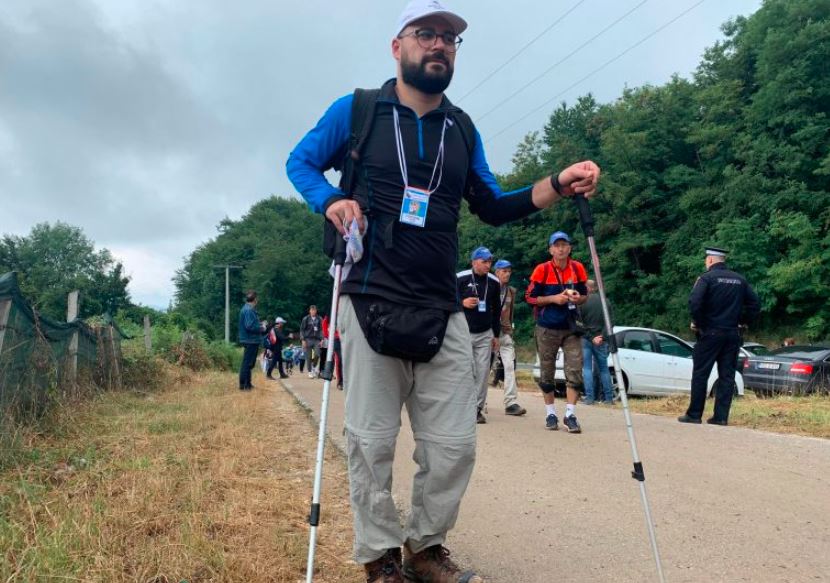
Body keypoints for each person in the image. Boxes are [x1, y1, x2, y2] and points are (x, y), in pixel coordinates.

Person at [286, 0, 600, 579]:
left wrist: (558, 182)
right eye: (425, 34)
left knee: (454, 445)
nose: (438, 45)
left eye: (449, 39)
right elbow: (300, 162)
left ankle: (425, 547)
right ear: (397, 46)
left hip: (440, 306)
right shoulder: (356, 111)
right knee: (371, 442)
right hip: (367, 296)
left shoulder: (462, 128)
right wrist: (330, 200)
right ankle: (380, 556)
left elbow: (494, 203)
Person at [679, 247, 760, 426]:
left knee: (701, 373)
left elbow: (695, 302)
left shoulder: (706, 278)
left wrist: (699, 324)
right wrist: (743, 321)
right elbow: (755, 304)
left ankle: (694, 414)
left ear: (710, 261)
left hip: (710, 333)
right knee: (727, 376)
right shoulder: (740, 280)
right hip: (732, 334)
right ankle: (721, 417)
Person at [525, 231, 589, 433]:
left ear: (570, 247)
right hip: (547, 327)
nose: (561, 248)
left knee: (575, 370)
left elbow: (585, 294)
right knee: (547, 371)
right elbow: (530, 298)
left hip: (571, 326)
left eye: (564, 244)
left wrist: (578, 298)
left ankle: (570, 414)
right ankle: (550, 412)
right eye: (557, 245)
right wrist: (553, 299)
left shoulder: (577, 267)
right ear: (550, 249)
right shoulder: (542, 270)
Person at [457, 247, 502, 424]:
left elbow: (497, 310)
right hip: (463, 332)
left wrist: (496, 335)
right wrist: (462, 303)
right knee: (464, 371)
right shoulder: (460, 278)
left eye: (489, 262)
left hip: (485, 333)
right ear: (474, 261)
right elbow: (446, 301)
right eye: (484, 262)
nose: (487, 265)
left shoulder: (494, 282)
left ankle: (476, 409)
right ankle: (459, 406)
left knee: (483, 372)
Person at [493, 259, 527, 416]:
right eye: (504, 271)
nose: (507, 274)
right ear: (497, 272)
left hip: (504, 333)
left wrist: (509, 330)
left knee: (509, 367)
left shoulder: (511, 291)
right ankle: (475, 403)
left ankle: (511, 403)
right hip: (486, 333)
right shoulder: (487, 287)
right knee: (482, 368)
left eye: (509, 271)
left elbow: (510, 313)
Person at [581, 279, 615, 404]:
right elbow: (610, 322)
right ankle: (609, 398)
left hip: (586, 339)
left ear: (587, 288)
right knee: (604, 369)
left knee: (587, 368)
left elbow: (579, 324)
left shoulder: (582, 302)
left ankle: (589, 398)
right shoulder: (606, 302)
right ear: (595, 288)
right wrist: (602, 336)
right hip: (601, 340)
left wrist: (591, 337)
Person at [237, 290, 264, 391]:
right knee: (248, 363)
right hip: (250, 340)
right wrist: (262, 327)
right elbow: (249, 326)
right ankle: (244, 385)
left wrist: (259, 324)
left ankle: (247, 383)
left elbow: (250, 324)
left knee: (249, 363)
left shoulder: (247, 309)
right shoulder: (249, 310)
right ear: (255, 299)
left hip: (249, 339)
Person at [299, 305, 324, 378]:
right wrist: (303, 340)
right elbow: (302, 330)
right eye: (312, 310)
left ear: (316, 311)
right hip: (308, 339)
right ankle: (310, 371)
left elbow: (321, 329)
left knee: (317, 354)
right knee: (308, 357)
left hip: (316, 339)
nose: (313, 311)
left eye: (314, 310)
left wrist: (322, 339)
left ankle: (313, 367)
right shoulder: (306, 319)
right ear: (309, 311)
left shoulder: (319, 319)